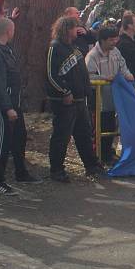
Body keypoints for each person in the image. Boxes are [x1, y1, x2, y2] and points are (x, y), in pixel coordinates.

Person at [0, 17, 40, 195]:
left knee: (19, 138)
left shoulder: (6, 49)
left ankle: (20, 172)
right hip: (5, 106)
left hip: (14, 103)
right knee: (2, 143)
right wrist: (7, 107)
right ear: (9, 31)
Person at [46, 16, 104, 182]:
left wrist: (86, 91)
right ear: (66, 29)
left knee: (84, 134)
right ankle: (56, 170)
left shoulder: (74, 47)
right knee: (61, 136)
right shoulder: (55, 47)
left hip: (80, 100)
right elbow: (51, 75)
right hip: (64, 102)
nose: (76, 31)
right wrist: (64, 92)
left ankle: (91, 165)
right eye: (74, 28)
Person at [86, 27, 134, 164]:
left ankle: (108, 153)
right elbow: (88, 77)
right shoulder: (92, 56)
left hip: (113, 98)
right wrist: (106, 78)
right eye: (111, 40)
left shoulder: (116, 52)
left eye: (115, 39)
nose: (114, 42)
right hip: (98, 100)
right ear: (102, 40)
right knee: (99, 127)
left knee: (111, 126)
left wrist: (128, 75)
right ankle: (98, 156)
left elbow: (123, 66)